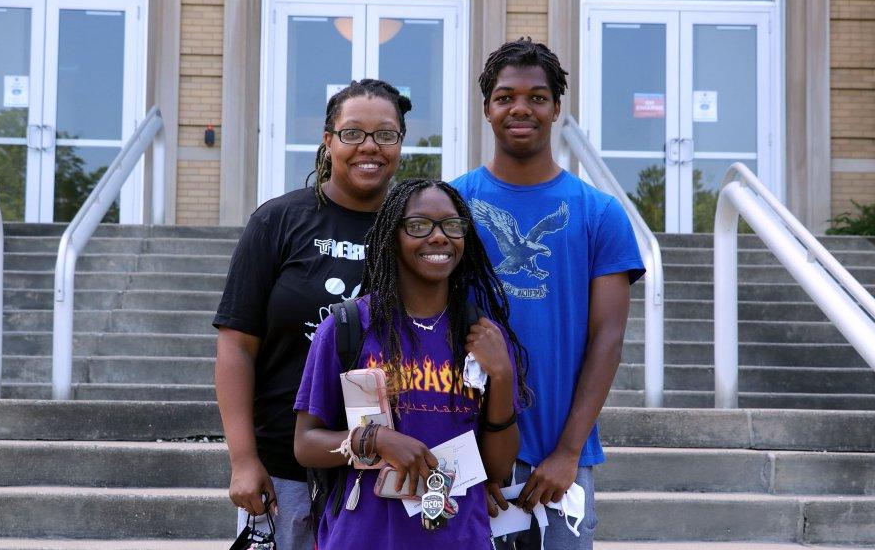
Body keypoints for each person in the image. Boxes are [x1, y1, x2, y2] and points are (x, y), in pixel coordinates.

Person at [451, 38, 645, 549]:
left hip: (559, 463)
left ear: (557, 108)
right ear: (488, 109)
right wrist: (463, 458)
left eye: (537, 97)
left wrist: (568, 452)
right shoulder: (452, 206)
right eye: (505, 96)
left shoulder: (599, 213)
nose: (521, 108)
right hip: (464, 456)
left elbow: (607, 339)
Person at [213, 79, 412, 548]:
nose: (370, 147)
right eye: (352, 133)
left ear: (401, 143)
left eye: (386, 134)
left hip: (384, 469)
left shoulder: (415, 230)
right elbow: (236, 345)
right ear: (328, 141)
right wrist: (243, 459)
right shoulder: (277, 221)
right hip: (286, 469)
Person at [293, 179, 530, 549]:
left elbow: (498, 469)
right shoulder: (348, 327)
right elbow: (305, 444)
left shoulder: (482, 336)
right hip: (362, 536)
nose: (439, 237)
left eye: (452, 226)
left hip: (456, 537)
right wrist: (376, 439)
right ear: (392, 236)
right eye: (419, 225)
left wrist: (501, 374)